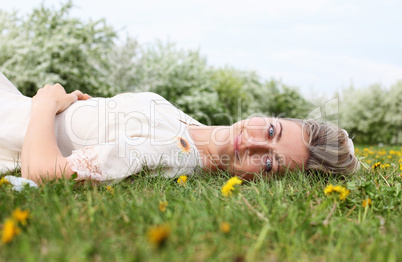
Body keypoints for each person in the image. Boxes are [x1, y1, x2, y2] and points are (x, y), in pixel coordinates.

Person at [0, 72, 360, 185]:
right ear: (269, 118)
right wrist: (81, 108)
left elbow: (42, 174)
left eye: (269, 164)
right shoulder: (192, 129)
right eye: (270, 132)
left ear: (263, 181)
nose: (251, 143)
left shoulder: (168, 153)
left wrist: (46, 104)